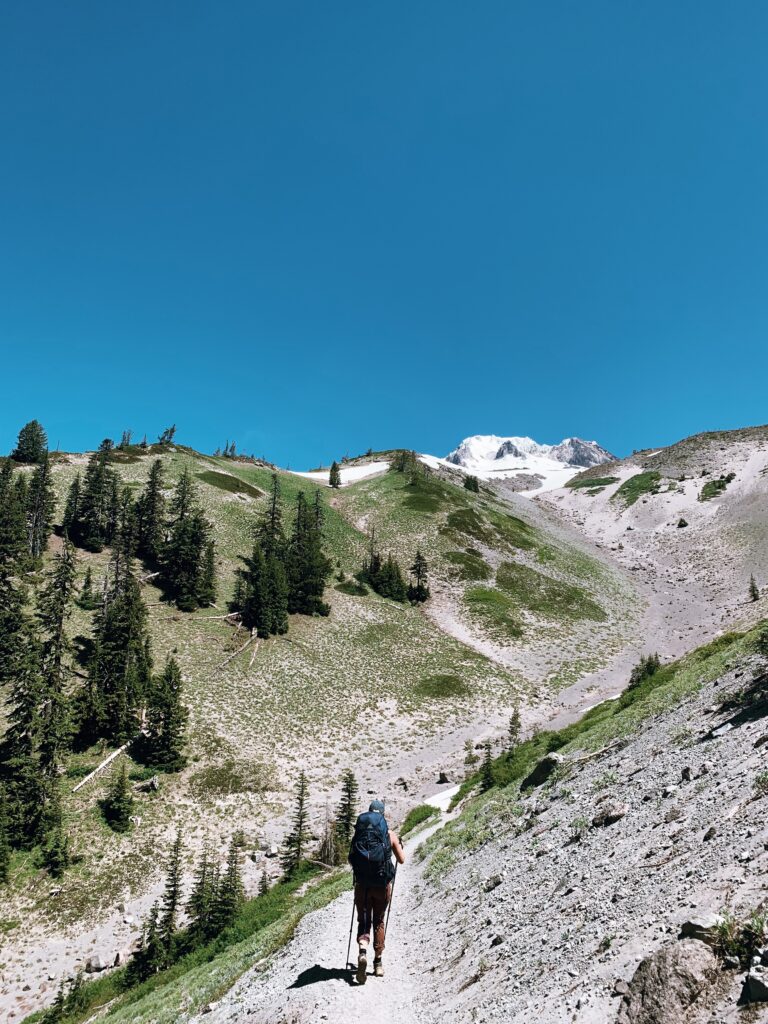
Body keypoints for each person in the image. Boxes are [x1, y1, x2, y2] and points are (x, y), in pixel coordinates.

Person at [348, 798, 405, 983]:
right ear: (382, 815)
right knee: (379, 921)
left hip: (362, 885)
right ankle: (378, 964)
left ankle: (362, 951)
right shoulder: (389, 834)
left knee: (363, 921)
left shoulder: (360, 835)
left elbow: (351, 859)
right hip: (381, 886)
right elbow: (402, 859)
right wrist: (397, 846)